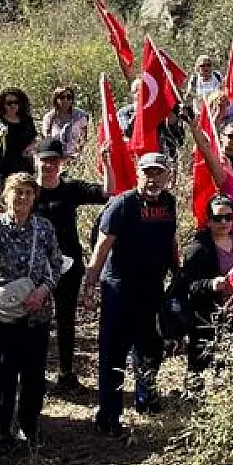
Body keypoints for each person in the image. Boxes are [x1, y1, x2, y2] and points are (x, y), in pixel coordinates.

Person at [85, 152, 179, 437]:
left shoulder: (168, 202)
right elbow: (101, 248)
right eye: (147, 173)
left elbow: (170, 240)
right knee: (114, 353)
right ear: (138, 174)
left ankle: (145, 399)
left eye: (158, 173)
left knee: (150, 348)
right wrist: (89, 285)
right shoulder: (122, 204)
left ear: (167, 176)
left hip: (153, 288)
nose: (153, 179)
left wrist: (178, 272)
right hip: (119, 289)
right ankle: (109, 416)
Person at [0, 173, 62, 456]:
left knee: (33, 371)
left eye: (27, 192)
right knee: (0, 368)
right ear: (6, 194)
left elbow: (57, 264)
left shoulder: (44, 228)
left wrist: (42, 291)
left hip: (36, 308)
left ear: (34, 197)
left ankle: (30, 426)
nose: (22, 197)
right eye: (16, 192)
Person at [31, 137, 109, 391]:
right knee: (36, 320)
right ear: (36, 161)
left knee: (66, 319)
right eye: (45, 160)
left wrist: (107, 162)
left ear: (61, 163)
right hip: (36, 267)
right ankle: (34, 373)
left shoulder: (71, 189)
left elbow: (107, 193)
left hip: (68, 265)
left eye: (54, 160)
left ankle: (66, 374)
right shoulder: (28, 191)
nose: (49, 165)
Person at [170, 195, 233, 379]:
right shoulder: (198, 249)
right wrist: (210, 284)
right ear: (209, 221)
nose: (224, 222)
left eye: (228, 217)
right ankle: (193, 399)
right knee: (200, 362)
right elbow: (185, 285)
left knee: (229, 362)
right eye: (217, 218)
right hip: (205, 317)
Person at [0, 87, 38, 184]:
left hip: (25, 167)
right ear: (3, 104)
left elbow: (34, 139)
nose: (13, 106)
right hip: (4, 169)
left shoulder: (26, 120)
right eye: (9, 103)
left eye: (16, 102)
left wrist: (30, 148)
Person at [41, 87, 91, 157]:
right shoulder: (49, 118)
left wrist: (79, 154)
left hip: (76, 157)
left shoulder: (80, 116)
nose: (65, 100)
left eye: (69, 97)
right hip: (56, 157)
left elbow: (84, 139)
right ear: (56, 99)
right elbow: (47, 140)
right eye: (62, 97)